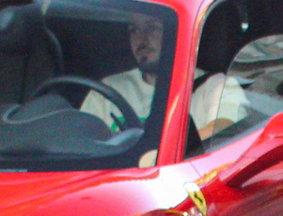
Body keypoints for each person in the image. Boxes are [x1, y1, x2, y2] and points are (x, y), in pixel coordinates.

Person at [78, 17, 248, 153]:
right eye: (134, 30)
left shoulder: (216, 86)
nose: (141, 39)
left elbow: (225, 128)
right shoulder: (109, 88)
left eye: (152, 28)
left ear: (176, 33)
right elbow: (81, 142)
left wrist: (158, 153)